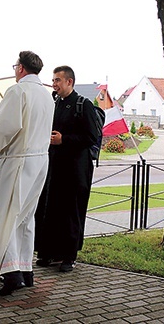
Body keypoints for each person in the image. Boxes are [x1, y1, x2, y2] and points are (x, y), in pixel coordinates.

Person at [0, 51, 54, 296]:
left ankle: (12, 273)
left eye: (15, 66)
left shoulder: (18, 92)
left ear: (21, 68)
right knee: (25, 217)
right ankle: (26, 269)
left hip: (19, 160)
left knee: (5, 217)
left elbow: (5, 128)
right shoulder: (47, 95)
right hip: (40, 160)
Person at [34, 65, 100, 273]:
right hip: (54, 166)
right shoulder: (55, 104)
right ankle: (48, 252)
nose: (54, 84)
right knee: (49, 209)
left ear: (69, 82)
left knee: (71, 212)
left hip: (75, 170)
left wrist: (65, 139)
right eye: (53, 81)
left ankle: (69, 256)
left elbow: (91, 137)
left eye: (57, 81)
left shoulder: (84, 105)